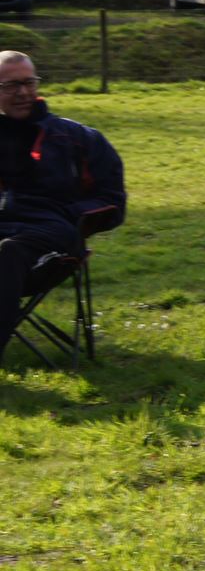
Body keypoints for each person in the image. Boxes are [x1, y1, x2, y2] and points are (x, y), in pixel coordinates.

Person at [0, 52, 125, 361]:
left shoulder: (79, 139)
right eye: (11, 85)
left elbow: (113, 202)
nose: (23, 93)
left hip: (51, 239)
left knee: (7, 251)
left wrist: (72, 217)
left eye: (29, 83)